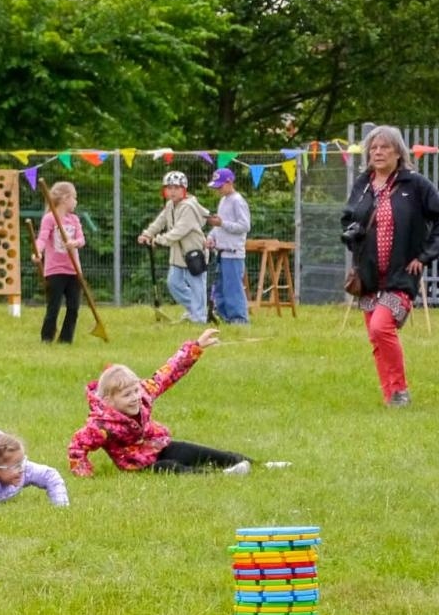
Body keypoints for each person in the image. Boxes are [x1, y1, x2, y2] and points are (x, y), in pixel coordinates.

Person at [340, 125, 439, 406]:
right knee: (374, 335)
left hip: (401, 274)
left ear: (398, 153)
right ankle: (389, 395)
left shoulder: (415, 185)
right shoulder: (364, 183)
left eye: (385, 147)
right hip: (368, 274)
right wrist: (353, 233)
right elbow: (348, 217)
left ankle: (400, 390)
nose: (378, 152)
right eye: (374, 147)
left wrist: (425, 255)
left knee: (382, 327)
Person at [68, 331, 281, 475]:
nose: (134, 397)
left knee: (193, 451)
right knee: (169, 467)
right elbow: (77, 447)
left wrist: (196, 347)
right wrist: (84, 472)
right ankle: (222, 477)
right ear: (109, 400)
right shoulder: (100, 425)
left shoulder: (142, 394)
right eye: (127, 395)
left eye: (134, 390)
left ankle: (259, 466)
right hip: (138, 464)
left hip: (158, 444)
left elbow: (168, 372)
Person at [139, 170, 211, 324]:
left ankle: (199, 318)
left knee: (197, 285)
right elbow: (160, 222)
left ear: (184, 189)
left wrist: (158, 240)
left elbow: (178, 231)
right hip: (178, 254)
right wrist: (147, 234)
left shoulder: (189, 207)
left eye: (176, 188)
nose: (172, 191)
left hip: (194, 253)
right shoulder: (170, 205)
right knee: (174, 283)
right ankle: (194, 309)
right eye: (169, 188)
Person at [34, 181, 85, 344]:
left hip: (73, 270)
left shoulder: (74, 220)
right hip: (55, 270)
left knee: (73, 307)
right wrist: (37, 252)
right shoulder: (49, 219)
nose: (75, 202)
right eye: (74, 198)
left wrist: (74, 243)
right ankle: (47, 338)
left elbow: (81, 240)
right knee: (53, 307)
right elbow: (41, 239)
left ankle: (65, 339)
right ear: (65, 198)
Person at [206, 168, 251, 324]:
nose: (218, 190)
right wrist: (211, 236)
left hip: (233, 253)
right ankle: (226, 317)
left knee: (233, 288)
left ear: (229, 182)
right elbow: (219, 225)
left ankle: (239, 318)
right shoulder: (223, 200)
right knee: (220, 288)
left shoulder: (238, 201)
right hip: (221, 253)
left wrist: (222, 223)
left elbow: (244, 226)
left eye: (219, 186)